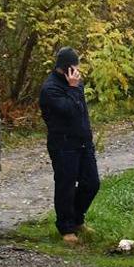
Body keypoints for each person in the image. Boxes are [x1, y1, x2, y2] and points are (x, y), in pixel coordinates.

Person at [39, 46, 99, 244]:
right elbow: (68, 111)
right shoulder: (50, 89)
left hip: (83, 142)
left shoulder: (76, 83)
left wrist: (88, 136)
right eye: (75, 67)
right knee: (66, 186)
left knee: (92, 183)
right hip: (63, 144)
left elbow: (82, 111)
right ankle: (66, 228)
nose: (78, 71)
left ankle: (77, 218)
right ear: (66, 68)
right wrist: (73, 88)